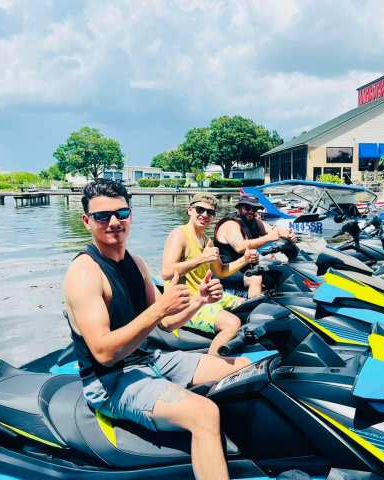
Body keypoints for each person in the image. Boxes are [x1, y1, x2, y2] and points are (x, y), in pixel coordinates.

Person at [63, 179, 248, 480]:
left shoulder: (135, 263)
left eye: (121, 214)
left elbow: (166, 323)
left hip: (148, 359)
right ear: (87, 221)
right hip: (109, 381)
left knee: (243, 369)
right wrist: (160, 308)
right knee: (205, 414)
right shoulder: (84, 273)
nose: (113, 222)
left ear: (130, 216)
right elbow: (104, 352)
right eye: (101, 216)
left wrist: (199, 300)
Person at [161, 193, 258, 356]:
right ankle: (210, 365)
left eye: (210, 213)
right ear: (190, 210)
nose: (205, 215)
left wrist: (245, 259)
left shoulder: (207, 241)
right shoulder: (180, 234)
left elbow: (220, 271)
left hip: (206, 296)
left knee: (254, 305)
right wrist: (202, 258)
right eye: (200, 210)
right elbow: (166, 272)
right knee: (232, 324)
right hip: (185, 303)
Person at [214, 194, 296, 297]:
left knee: (277, 268)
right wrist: (268, 238)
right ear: (239, 208)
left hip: (245, 266)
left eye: (255, 209)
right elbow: (240, 247)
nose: (251, 211)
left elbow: (274, 230)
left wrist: (288, 234)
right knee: (255, 278)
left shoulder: (255, 222)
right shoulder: (230, 224)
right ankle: (252, 308)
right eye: (248, 208)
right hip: (227, 269)